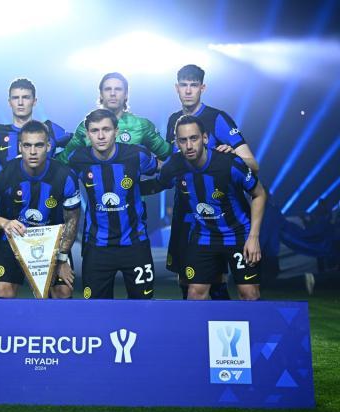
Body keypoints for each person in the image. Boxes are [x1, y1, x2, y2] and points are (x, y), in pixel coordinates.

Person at [165, 64, 260, 300]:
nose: (188, 90)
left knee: (218, 281)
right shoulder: (174, 120)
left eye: (193, 85)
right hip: (185, 211)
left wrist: (234, 155)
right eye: (184, 85)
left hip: (219, 214)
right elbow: (172, 164)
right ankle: (197, 325)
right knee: (186, 282)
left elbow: (253, 164)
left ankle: (222, 321)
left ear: (202, 88)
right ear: (176, 88)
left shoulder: (217, 118)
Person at [151, 115, 266, 300]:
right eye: (183, 140)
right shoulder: (174, 165)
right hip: (203, 236)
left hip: (238, 235)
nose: (189, 145)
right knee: (194, 293)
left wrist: (253, 238)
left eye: (194, 138)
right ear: (177, 143)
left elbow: (259, 194)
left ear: (205, 138)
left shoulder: (229, 163)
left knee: (249, 294)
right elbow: (157, 184)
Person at [0, 120, 81, 299]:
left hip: (51, 242)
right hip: (14, 239)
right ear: (19, 147)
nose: (32, 151)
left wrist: (62, 259)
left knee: (63, 292)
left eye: (39, 145)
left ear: (48, 146)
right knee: (3, 290)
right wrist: (5, 223)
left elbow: (72, 219)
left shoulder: (65, 175)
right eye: (27, 145)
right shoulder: (4, 172)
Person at [68, 109, 158, 299]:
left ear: (116, 131)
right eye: (95, 130)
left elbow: (163, 170)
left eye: (106, 129)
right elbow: (56, 175)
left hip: (135, 244)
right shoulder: (77, 159)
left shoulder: (137, 155)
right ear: (88, 134)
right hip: (97, 246)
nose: (101, 136)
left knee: (143, 305)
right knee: (96, 308)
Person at [56, 72, 172, 164]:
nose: (112, 93)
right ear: (101, 94)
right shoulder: (85, 127)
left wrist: (151, 170)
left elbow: (169, 155)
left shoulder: (141, 125)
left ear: (126, 94)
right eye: (108, 89)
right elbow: (63, 161)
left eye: (118, 89)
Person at [0, 78, 71, 166]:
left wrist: (58, 163)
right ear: (9, 102)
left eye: (25, 97)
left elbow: (76, 144)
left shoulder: (50, 129)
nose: (20, 103)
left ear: (34, 101)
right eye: (15, 98)